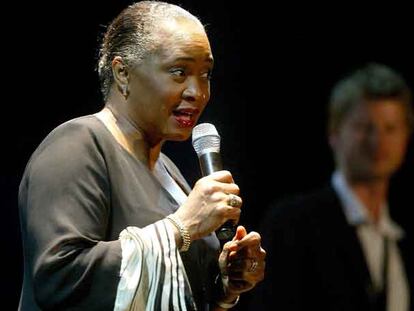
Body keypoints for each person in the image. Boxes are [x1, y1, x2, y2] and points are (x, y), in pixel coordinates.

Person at [18, 2, 266, 310]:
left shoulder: (169, 171)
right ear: (122, 72)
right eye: (179, 72)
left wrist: (224, 283)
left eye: (206, 74)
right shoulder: (76, 146)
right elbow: (61, 279)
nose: (198, 92)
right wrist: (180, 227)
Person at [252, 63, 413, 310]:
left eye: (390, 128)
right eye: (364, 127)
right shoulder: (292, 223)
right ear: (335, 132)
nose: (378, 141)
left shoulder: (402, 236)